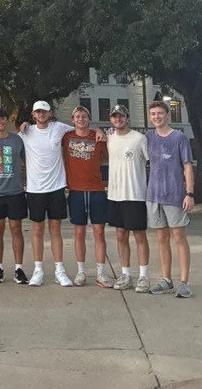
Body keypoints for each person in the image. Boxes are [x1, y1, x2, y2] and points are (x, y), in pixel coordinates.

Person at [18, 101, 75, 286]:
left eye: (44, 111)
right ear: (33, 114)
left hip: (56, 187)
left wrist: (98, 132)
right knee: (36, 230)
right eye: (38, 112)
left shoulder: (59, 128)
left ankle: (60, 270)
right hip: (35, 189)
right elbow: (5, 141)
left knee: (55, 230)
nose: (41, 114)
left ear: (50, 113)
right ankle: (38, 270)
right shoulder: (26, 132)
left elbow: (80, 129)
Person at [145, 100, 195, 298]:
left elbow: (187, 166)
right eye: (153, 114)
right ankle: (165, 279)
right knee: (161, 238)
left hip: (175, 194)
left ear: (167, 115)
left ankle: (184, 282)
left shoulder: (179, 138)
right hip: (153, 195)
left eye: (160, 113)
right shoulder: (148, 137)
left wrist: (189, 193)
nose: (156, 117)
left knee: (178, 237)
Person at [62, 106, 113, 287]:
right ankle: (81, 272)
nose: (81, 119)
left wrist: (101, 132)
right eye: (77, 116)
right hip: (76, 190)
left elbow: (108, 157)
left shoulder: (97, 138)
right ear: (72, 119)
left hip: (96, 190)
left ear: (89, 119)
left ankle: (100, 273)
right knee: (79, 232)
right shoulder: (66, 137)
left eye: (84, 116)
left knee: (99, 232)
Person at [105, 104, 150, 292]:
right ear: (111, 120)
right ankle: (125, 274)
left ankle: (143, 276)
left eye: (121, 116)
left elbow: (151, 163)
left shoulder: (139, 139)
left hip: (135, 194)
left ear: (127, 118)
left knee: (139, 235)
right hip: (115, 195)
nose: (118, 119)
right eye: (114, 117)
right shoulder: (109, 138)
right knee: (120, 235)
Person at [0, 108, 28, 284]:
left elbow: (28, 161)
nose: (0, 122)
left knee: (16, 229)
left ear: (6, 121)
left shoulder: (17, 140)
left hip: (15, 192)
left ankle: (18, 268)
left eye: (2, 118)